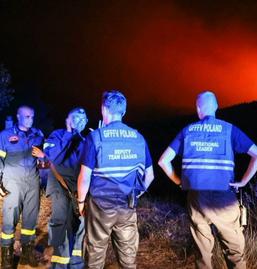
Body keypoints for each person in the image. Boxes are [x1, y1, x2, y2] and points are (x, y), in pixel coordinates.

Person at [158, 91, 257, 269]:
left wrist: (179, 181)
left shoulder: (187, 131)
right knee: (235, 254)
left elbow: (163, 161)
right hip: (225, 198)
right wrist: (243, 182)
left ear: (198, 108)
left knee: (203, 254)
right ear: (216, 107)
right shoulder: (229, 129)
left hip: (197, 199)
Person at [77, 90, 154, 268]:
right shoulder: (138, 137)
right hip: (127, 205)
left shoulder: (95, 137)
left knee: (95, 254)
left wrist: (81, 202)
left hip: (100, 206)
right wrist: (136, 194)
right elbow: (150, 175)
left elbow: (85, 176)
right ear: (123, 112)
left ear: (104, 109)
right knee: (128, 258)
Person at [32, 107, 88, 268]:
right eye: (78, 117)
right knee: (61, 223)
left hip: (79, 188)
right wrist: (74, 137)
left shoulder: (85, 140)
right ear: (68, 120)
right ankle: (59, 263)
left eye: (84, 119)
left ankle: (76, 261)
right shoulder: (57, 135)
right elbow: (54, 157)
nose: (82, 121)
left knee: (81, 223)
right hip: (60, 187)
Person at [0, 105, 44, 267]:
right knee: (9, 221)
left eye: (32, 116)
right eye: (27, 116)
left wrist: (44, 157)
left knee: (30, 220)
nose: (30, 119)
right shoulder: (5, 136)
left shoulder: (38, 135)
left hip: (32, 183)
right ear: (18, 117)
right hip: (13, 183)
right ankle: (6, 257)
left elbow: (44, 160)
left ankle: (27, 254)